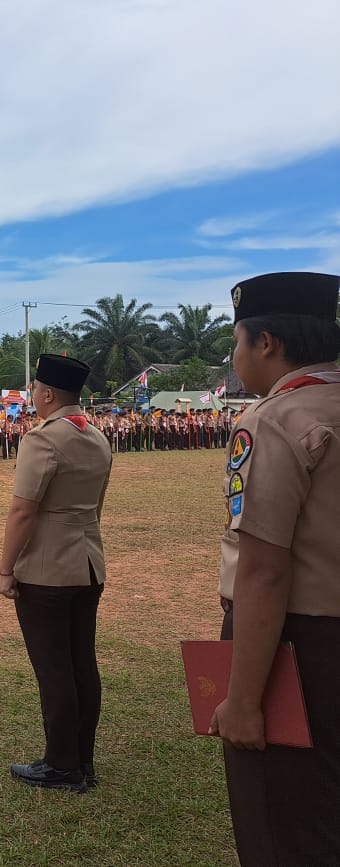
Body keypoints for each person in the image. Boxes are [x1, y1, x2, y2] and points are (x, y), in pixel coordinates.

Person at [207, 272, 340, 865]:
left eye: (236, 342)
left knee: (283, 819)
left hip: (302, 643)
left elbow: (263, 572)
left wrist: (241, 700)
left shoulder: (273, 421)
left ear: (266, 343)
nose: (234, 358)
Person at [0, 354, 112, 793]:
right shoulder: (97, 438)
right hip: (87, 562)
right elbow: (97, 507)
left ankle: (62, 765)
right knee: (83, 662)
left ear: (47, 395)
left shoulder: (42, 440)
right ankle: (83, 758)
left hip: (46, 569)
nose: (33, 396)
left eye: (35, 389)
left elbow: (23, 510)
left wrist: (6, 569)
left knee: (54, 669)